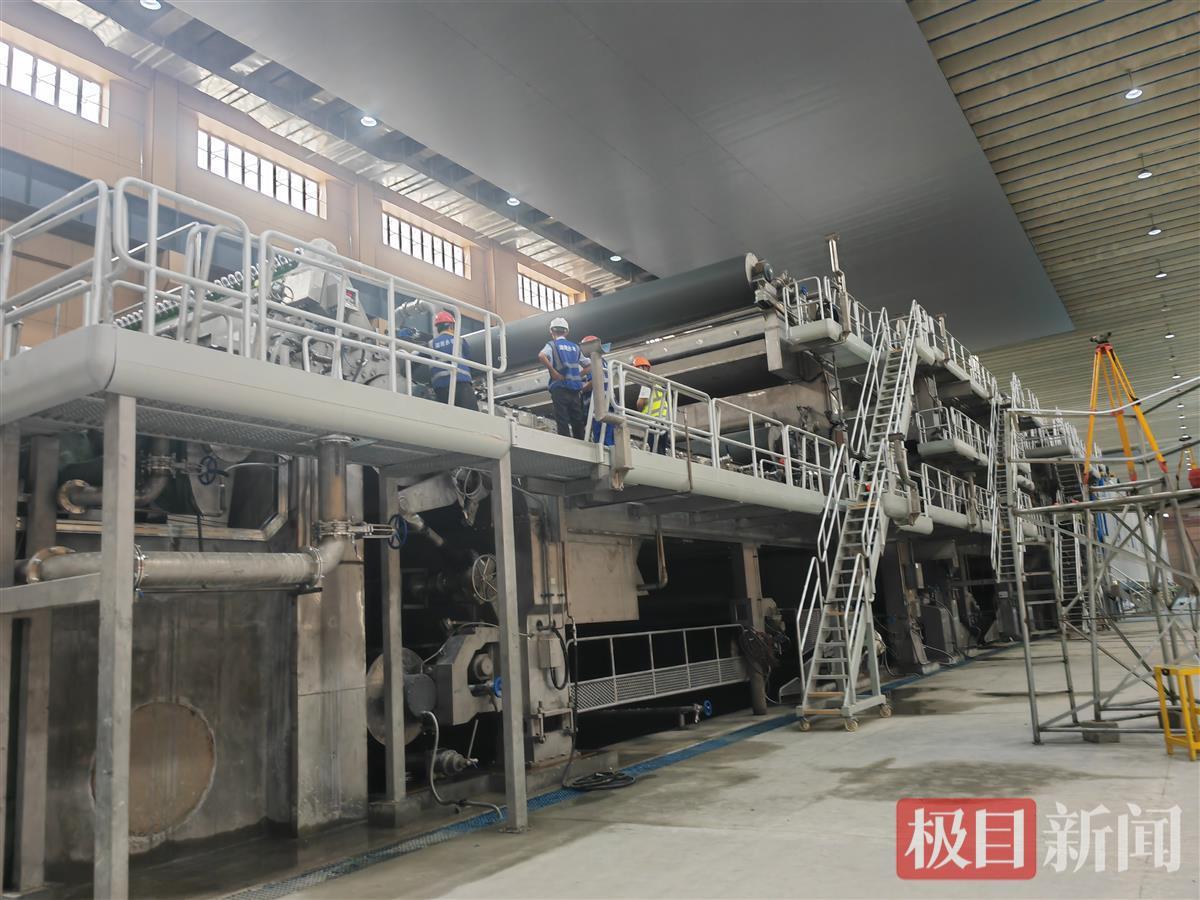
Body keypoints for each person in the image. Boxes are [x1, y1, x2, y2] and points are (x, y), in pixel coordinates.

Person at [538, 317, 589, 438]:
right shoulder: (575, 347)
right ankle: (580, 441)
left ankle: (565, 441)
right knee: (577, 419)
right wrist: (578, 375)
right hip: (575, 389)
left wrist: (553, 372)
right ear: (566, 332)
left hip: (559, 387)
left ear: (552, 331)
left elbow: (541, 356)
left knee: (562, 418)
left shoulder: (552, 345)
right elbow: (589, 365)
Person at [428, 310, 477, 410]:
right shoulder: (459, 341)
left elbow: (416, 357)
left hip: (440, 388)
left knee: (447, 415)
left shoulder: (431, 344)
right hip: (461, 384)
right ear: (451, 326)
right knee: (472, 415)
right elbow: (469, 360)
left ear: (438, 328)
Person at [581, 335, 615, 446]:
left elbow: (593, 382)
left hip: (597, 403)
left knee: (601, 436)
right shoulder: (603, 361)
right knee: (608, 433)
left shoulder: (593, 361)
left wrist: (580, 389)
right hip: (607, 401)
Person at [633, 356, 671, 454]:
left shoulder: (646, 384)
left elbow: (640, 403)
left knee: (655, 449)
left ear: (641, 369)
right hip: (663, 423)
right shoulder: (656, 384)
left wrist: (638, 407)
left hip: (654, 423)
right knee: (661, 451)